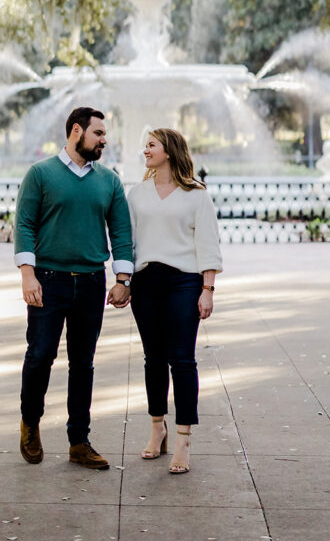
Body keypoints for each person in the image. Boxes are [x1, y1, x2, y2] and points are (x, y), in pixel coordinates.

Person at [14, 106, 134, 471]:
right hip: (47, 281)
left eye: (104, 135)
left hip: (91, 283)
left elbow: (122, 231)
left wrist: (122, 279)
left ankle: (79, 441)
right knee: (40, 356)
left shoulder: (109, 181)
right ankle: (30, 422)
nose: (103, 140)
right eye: (98, 134)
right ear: (76, 131)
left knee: (83, 363)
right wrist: (27, 274)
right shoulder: (41, 174)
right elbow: (24, 225)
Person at [127, 128, 222, 475]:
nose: (145, 150)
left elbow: (208, 244)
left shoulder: (197, 195)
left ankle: (183, 438)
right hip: (147, 281)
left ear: (168, 150)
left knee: (182, 360)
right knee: (153, 359)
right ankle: (157, 428)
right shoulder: (136, 195)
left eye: (150, 145)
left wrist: (207, 288)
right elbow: (129, 243)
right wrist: (124, 281)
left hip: (184, 282)